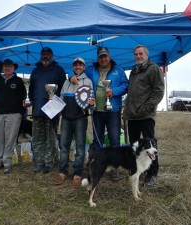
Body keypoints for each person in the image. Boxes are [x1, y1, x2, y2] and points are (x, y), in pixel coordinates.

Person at [70, 47, 129, 181]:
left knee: (114, 140)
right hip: (96, 111)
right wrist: (71, 75)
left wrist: (114, 91)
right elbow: (77, 71)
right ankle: (96, 166)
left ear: (109, 57)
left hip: (113, 110)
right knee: (97, 141)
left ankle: (115, 169)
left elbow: (126, 85)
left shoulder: (118, 70)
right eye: (101, 57)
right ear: (97, 58)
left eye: (105, 56)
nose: (103, 59)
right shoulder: (91, 70)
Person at [124, 45, 165, 186]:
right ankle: (137, 170)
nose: (138, 56)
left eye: (140, 53)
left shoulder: (153, 68)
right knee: (135, 146)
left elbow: (159, 91)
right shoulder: (134, 71)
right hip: (132, 115)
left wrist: (147, 108)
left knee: (150, 145)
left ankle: (152, 173)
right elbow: (132, 92)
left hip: (146, 115)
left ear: (146, 54)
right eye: (135, 54)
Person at [55, 57, 93, 187]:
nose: (78, 66)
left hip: (80, 119)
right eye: (75, 65)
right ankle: (62, 171)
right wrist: (53, 103)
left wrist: (90, 104)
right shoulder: (66, 82)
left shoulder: (88, 81)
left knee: (80, 146)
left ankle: (77, 173)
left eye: (80, 64)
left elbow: (90, 99)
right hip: (66, 118)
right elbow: (60, 98)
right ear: (73, 67)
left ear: (84, 67)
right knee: (64, 146)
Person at [29, 47, 66, 174]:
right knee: (38, 138)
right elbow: (31, 90)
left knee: (51, 137)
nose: (45, 56)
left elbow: (63, 90)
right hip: (37, 110)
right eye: (43, 54)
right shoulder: (35, 71)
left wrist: (57, 106)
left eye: (48, 54)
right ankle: (39, 162)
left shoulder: (59, 70)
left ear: (52, 55)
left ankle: (49, 162)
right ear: (41, 55)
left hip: (52, 111)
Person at [0, 59, 27, 174]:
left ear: (13, 68)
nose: (7, 68)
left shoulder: (18, 81)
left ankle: (7, 162)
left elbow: (24, 97)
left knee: (10, 139)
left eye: (10, 66)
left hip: (14, 114)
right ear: (2, 68)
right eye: (5, 66)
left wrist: (20, 113)